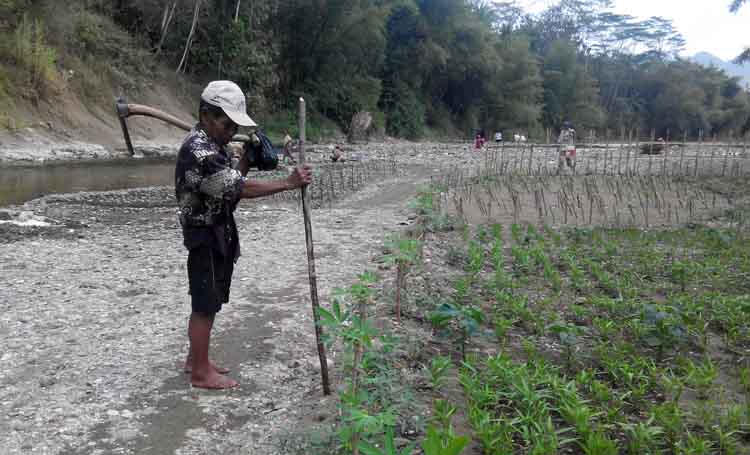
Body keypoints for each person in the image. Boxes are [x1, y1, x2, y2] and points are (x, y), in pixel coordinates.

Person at [175, 80, 312, 389]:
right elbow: (238, 188)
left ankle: (196, 359)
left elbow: (230, 185)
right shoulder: (199, 151)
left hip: (218, 229)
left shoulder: (215, 146)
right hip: (204, 235)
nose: (230, 130)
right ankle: (199, 372)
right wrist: (288, 183)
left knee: (212, 300)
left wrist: (247, 159)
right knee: (204, 304)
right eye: (226, 124)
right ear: (206, 116)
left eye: (234, 125)